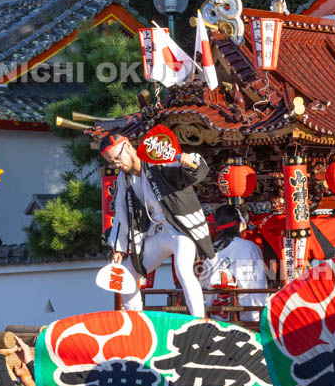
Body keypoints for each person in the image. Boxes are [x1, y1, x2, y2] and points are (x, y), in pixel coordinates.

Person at [101, 133, 213, 318]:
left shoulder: (156, 159)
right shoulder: (124, 178)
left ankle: (198, 321)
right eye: (111, 163)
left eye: (117, 158)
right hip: (157, 233)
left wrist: (190, 161)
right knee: (127, 274)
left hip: (180, 229)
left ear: (127, 146)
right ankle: (136, 323)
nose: (117, 164)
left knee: (183, 269)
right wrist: (119, 248)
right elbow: (121, 212)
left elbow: (193, 168)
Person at [203, 204, 268, 321]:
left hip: (213, 315)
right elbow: (259, 282)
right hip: (244, 315)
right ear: (241, 224)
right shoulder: (249, 247)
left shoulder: (208, 249)